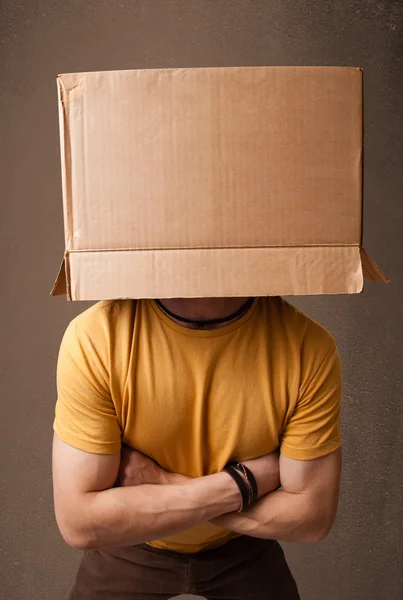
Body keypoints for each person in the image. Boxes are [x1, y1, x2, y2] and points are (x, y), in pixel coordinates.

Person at [52, 295, 342, 599]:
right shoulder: (97, 335)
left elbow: (312, 518)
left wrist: (165, 483)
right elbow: (79, 523)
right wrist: (243, 485)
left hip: (242, 544)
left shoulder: (308, 347)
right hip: (132, 543)